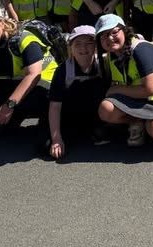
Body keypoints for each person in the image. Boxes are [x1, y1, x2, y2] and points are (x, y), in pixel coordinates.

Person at [0, 2, 58, 152]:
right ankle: (15, 117)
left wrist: (8, 106)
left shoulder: (24, 39)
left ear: (2, 22)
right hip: (14, 86)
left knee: (44, 146)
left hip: (43, 88)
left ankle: (47, 123)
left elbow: (33, 75)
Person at [95, 14, 153, 147]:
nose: (109, 38)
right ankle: (138, 122)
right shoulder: (111, 56)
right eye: (104, 36)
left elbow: (150, 90)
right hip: (140, 96)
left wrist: (116, 89)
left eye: (114, 32)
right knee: (106, 110)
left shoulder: (141, 50)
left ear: (124, 31)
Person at [45, 25, 109, 160]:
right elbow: (55, 106)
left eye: (89, 43)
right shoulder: (63, 70)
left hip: (95, 113)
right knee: (45, 146)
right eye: (78, 44)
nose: (83, 48)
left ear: (96, 46)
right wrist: (56, 139)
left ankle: (97, 129)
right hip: (69, 115)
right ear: (71, 47)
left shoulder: (104, 64)